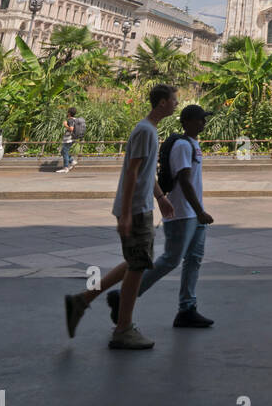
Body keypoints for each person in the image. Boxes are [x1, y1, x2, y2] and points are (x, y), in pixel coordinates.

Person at [64, 83, 178, 350]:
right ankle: (123, 328)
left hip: (142, 207)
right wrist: (126, 214)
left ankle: (81, 301)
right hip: (136, 209)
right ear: (162, 102)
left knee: (136, 261)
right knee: (138, 266)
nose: (175, 103)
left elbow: (147, 173)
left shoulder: (150, 130)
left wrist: (161, 198)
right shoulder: (144, 131)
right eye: (173, 100)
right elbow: (132, 173)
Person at [107, 103, 215, 329]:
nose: (203, 123)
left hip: (193, 215)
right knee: (171, 260)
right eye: (199, 119)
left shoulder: (193, 144)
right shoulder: (182, 146)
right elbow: (184, 180)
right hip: (182, 214)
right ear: (186, 122)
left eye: (204, 119)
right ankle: (126, 296)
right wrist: (199, 211)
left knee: (193, 260)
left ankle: (187, 308)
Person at [57, 107, 80, 173]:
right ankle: (72, 161)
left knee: (64, 152)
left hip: (69, 139)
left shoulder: (70, 120)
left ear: (69, 113)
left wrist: (65, 125)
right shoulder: (75, 119)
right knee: (63, 152)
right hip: (73, 138)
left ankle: (66, 168)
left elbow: (71, 129)